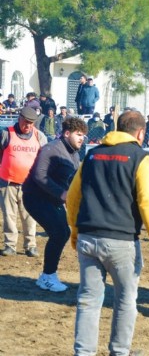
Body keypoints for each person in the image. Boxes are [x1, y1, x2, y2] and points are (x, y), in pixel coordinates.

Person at [66, 110, 149, 356]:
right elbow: (147, 201)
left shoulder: (91, 155)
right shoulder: (141, 157)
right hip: (122, 241)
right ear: (141, 133)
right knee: (125, 299)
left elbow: (73, 197)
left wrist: (75, 231)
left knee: (88, 299)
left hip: (89, 237)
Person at [22, 117, 87, 292]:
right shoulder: (51, 149)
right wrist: (63, 193)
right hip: (34, 198)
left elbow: (73, 178)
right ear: (67, 133)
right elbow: (39, 176)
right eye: (78, 134)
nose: (82, 138)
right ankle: (47, 277)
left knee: (63, 232)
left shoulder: (73, 153)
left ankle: (48, 275)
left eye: (84, 136)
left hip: (52, 199)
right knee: (59, 232)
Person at [0, 106, 49, 257]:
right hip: (7, 183)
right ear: (19, 118)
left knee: (30, 216)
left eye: (31, 123)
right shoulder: (6, 133)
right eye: (26, 122)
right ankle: (10, 245)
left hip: (30, 185)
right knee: (9, 215)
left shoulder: (39, 136)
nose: (28, 126)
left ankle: (31, 245)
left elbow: (44, 160)